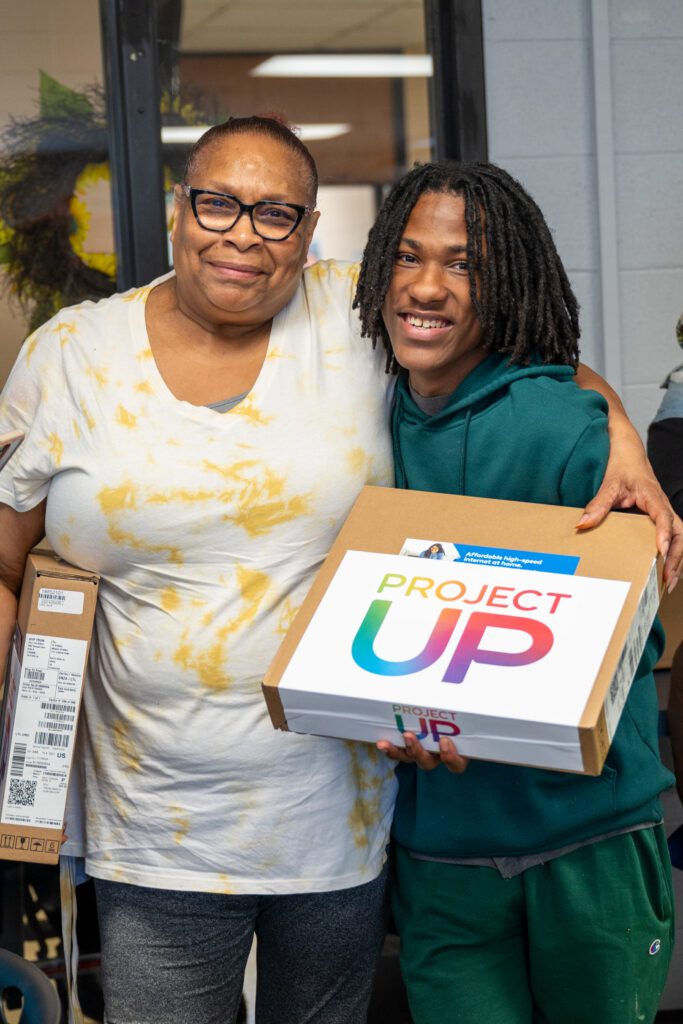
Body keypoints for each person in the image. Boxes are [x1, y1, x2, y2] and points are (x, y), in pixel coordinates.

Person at [0, 118, 679, 1024]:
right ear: (178, 210)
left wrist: (620, 430)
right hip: (150, 823)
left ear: (309, 231)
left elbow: (516, 351)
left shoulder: (352, 323)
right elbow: (8, 561)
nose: (243, 233)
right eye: (217, 203)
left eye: (275, 213)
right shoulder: (72, 355)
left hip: (340, 823)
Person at [356, 160, 676, 1024]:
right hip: (444, 853)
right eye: (409, 257)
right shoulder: (356, 422)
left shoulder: (568, 432)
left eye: (463, 263)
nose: (427, 287)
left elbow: (629, 640)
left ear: (508, 284)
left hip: (589, 838)